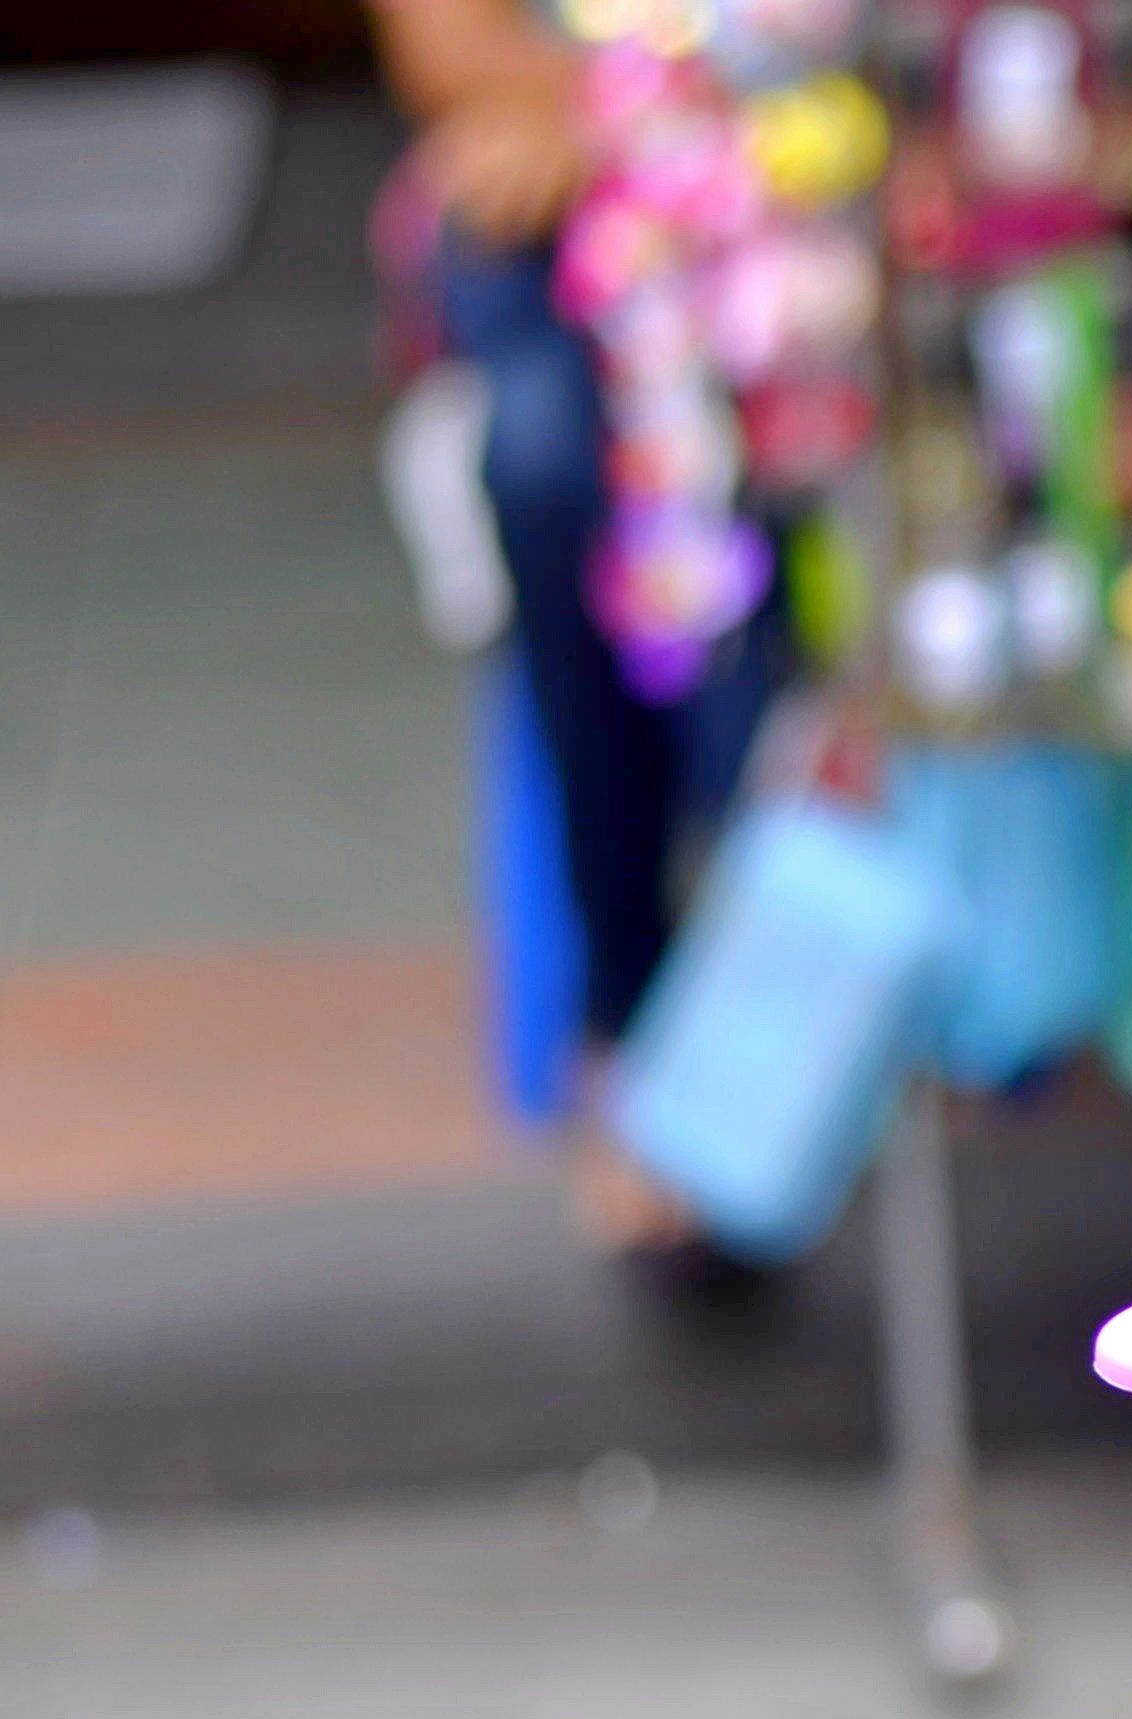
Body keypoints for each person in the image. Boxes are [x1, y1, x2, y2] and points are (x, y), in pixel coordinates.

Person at [374, 0, 793, 1262]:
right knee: (558, 475)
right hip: (587, 235)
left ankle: (797, 999)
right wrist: (648, 111)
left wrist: (617, 104)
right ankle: (637, 1009)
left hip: (776, 202)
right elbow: (446, 54)